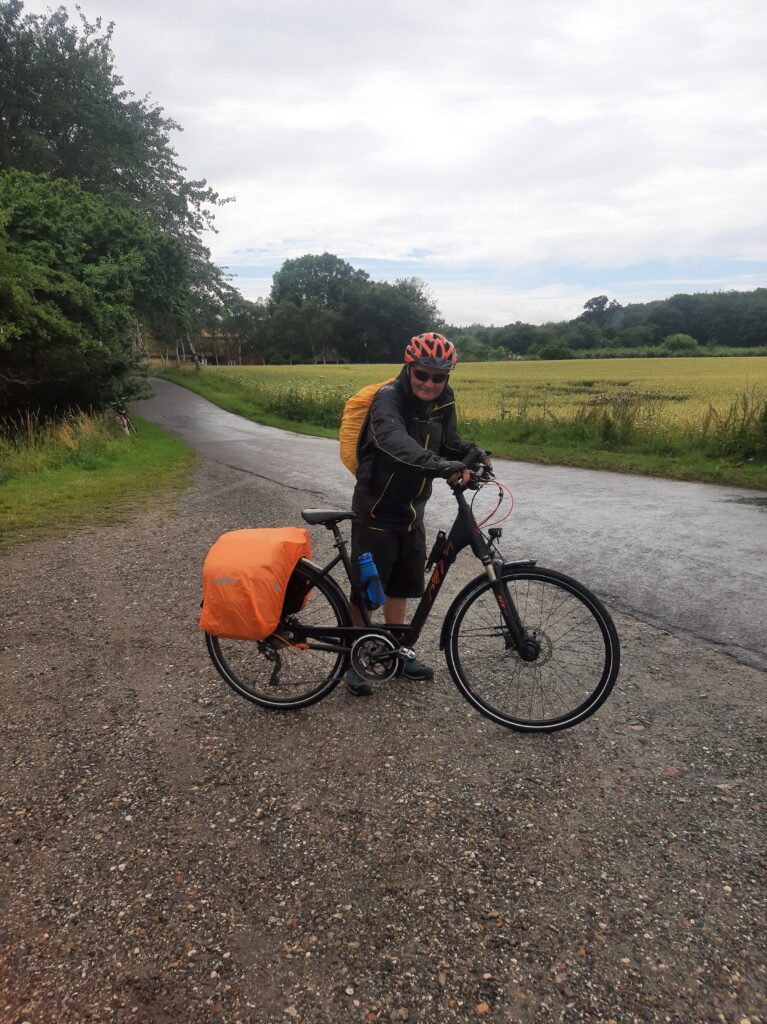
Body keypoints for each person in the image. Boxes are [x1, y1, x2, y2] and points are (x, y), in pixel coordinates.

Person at [347, 332, 490, 695]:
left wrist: (473, 453)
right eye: (422, 374)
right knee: (368, 588)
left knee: (401, 584)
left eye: (438, 377)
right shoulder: (388, 399)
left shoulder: (444, 400)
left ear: (447, 376)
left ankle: (396, 650)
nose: (430, 383)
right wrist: (441, 465)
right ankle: (353, 657)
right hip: (376, 508)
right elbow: (394, 442)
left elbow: (450, 443)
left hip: (413, 510)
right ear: (409, 368)